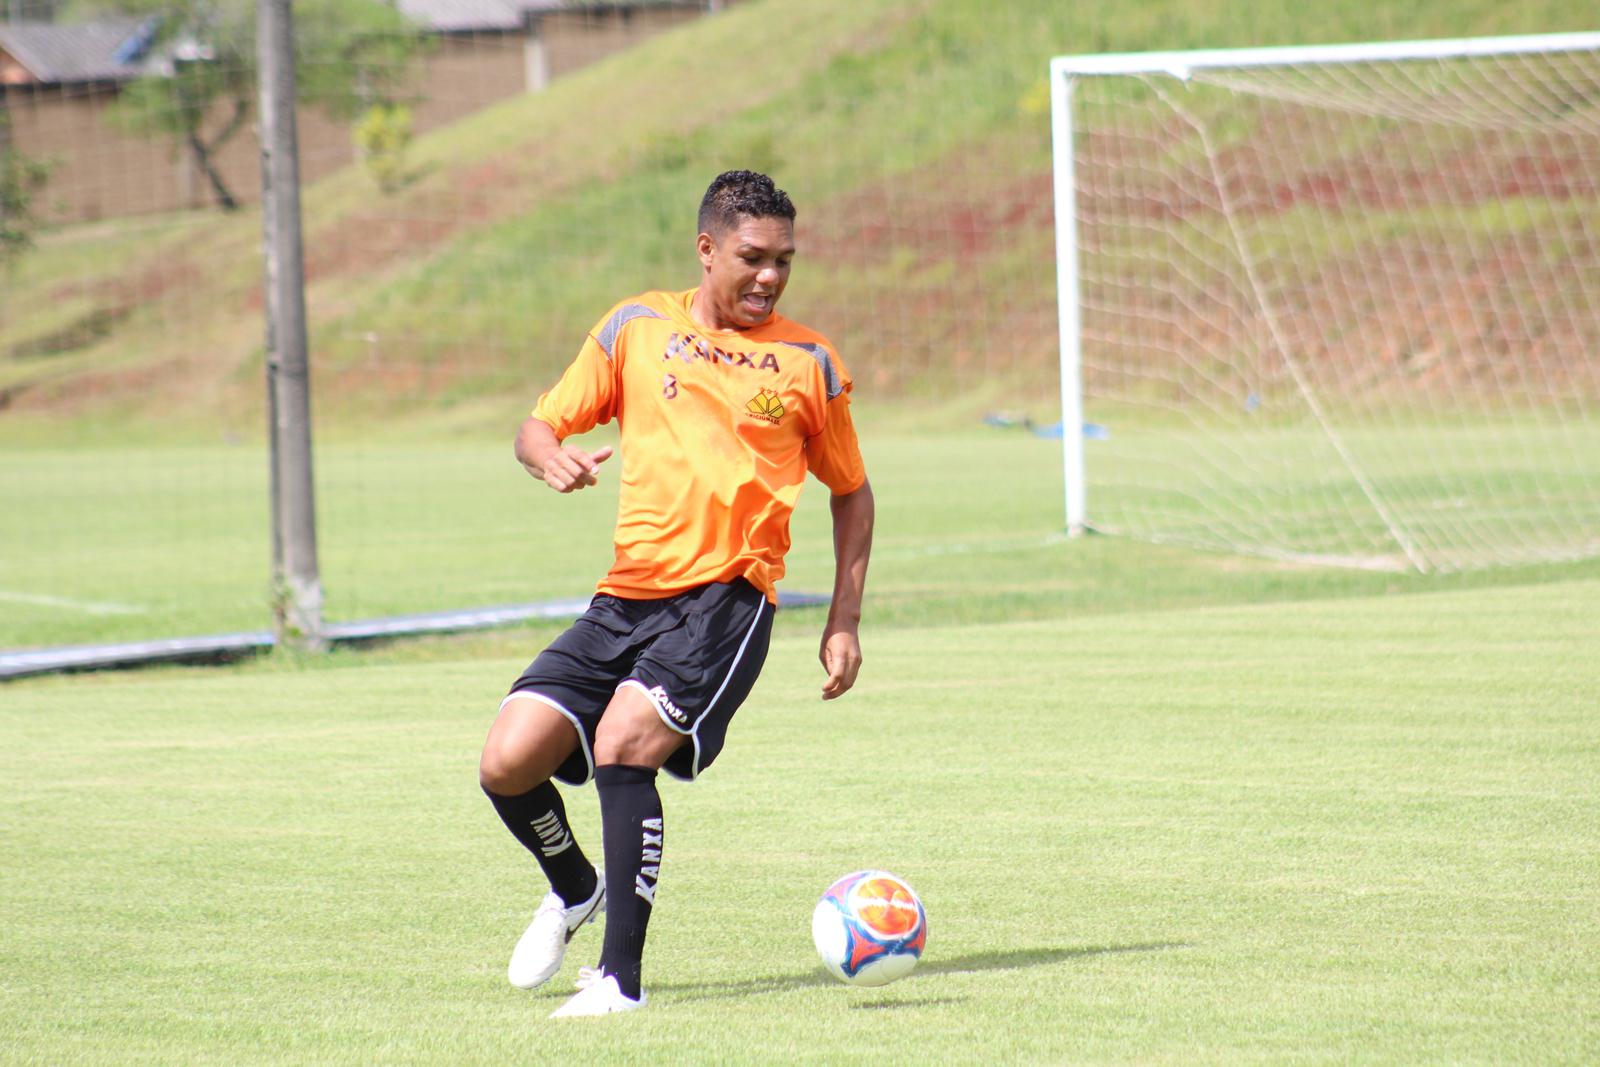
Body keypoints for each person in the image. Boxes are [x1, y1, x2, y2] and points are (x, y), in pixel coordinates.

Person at [478, 170, 874, 1018]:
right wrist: (546, 455)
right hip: (624, 596)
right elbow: (536, 424)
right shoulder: (635, 327)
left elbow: (851, 489)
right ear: (706, 250)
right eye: (752, 257)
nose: (769, 277)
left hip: (728, 600)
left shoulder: (810, 362)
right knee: (507, 762)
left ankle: (619, 979)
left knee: (626, 742)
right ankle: (574, 885)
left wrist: (843, 618)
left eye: (785, 262)